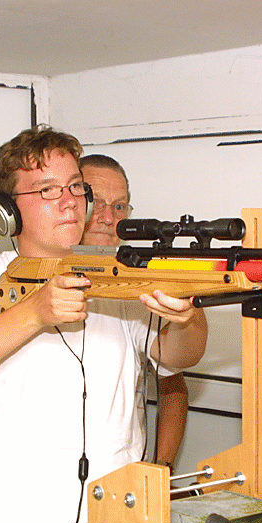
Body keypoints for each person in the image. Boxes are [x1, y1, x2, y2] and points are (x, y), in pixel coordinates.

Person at [0, 126, 207, 523]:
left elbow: (179, 357)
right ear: (7, 212)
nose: (70, 200)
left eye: (74, 186)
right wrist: (33, 313)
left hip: (114, 522)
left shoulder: (115, 277)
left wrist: (184, 318)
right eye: (47, 190)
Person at [79, 153, 190, 469]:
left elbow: (172, 383)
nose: (107, 217)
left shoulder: (136, 283)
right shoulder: (28, 274)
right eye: (95, 202)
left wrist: (160, 468)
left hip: (123, 485)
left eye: (118, 206)